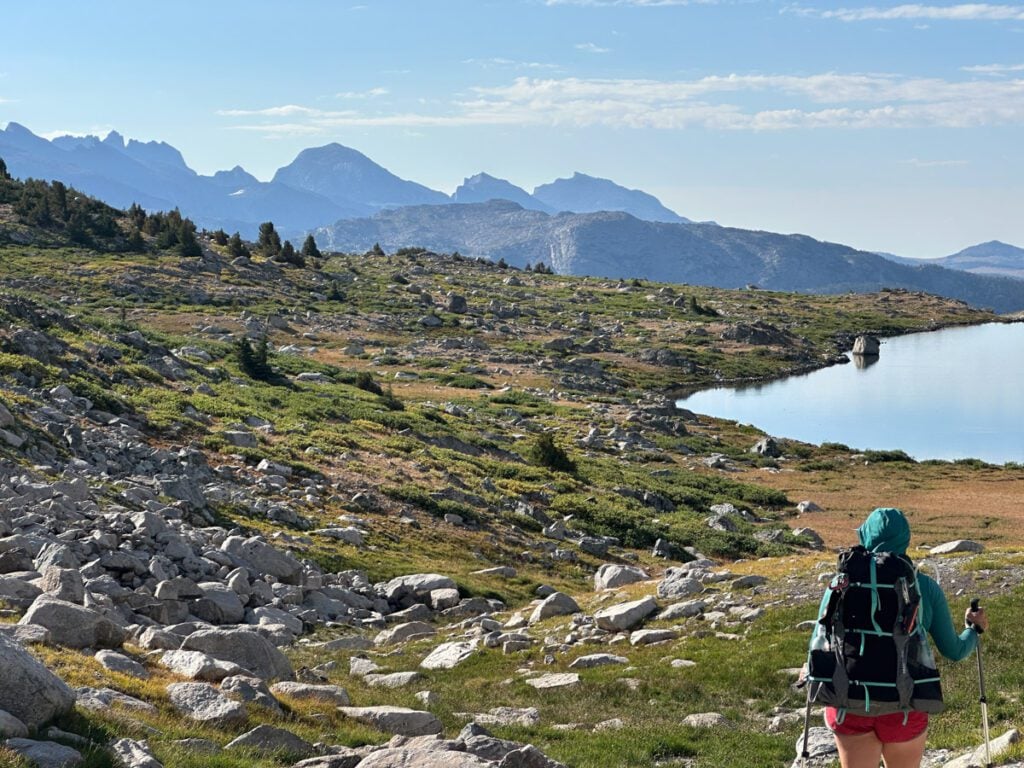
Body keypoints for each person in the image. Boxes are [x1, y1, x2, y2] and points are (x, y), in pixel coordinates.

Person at [808, 507, 989, 768]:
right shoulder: (924, 586)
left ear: (866, 536)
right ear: (905, 538)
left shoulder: (841, 582)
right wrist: (974, 630)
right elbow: (955, 651)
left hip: (851, 704)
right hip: (905, 707)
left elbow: (818, 639)